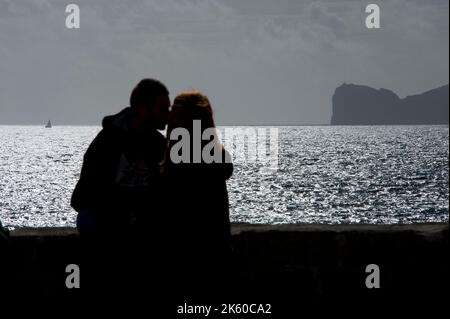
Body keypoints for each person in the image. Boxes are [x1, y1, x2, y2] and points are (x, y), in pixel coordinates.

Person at [70, 78, 170, 304]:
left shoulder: (159, 145)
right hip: (111, 231)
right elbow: (84, 196)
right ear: (143, 108)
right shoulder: (107, 142)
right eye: (163, 109)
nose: (168, 115)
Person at [162, 90, 233, 301]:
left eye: (176, 115)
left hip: (190, 257)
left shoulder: (184, 158)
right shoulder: (213, 155)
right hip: (213, 254)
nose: (170, 120)